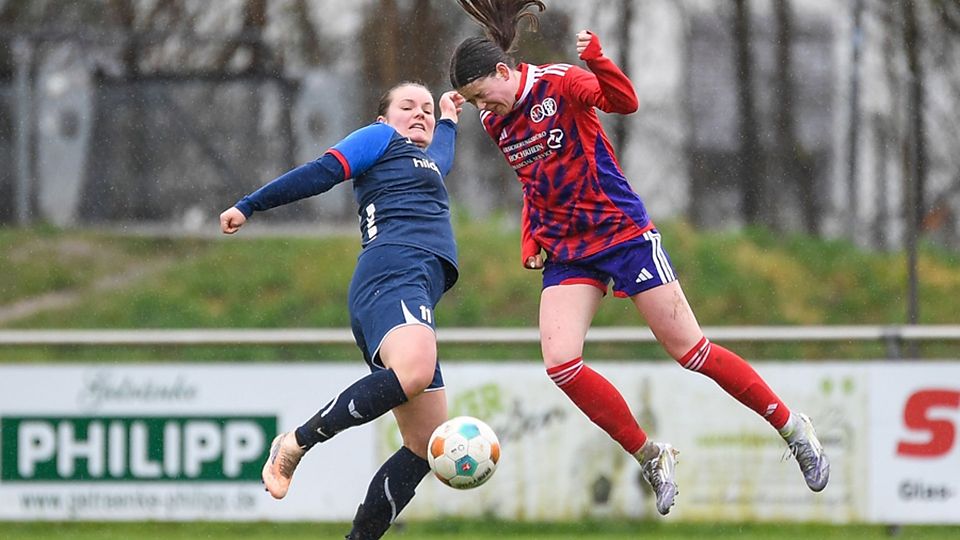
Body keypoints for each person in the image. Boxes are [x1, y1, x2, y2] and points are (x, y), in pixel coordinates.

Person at [448, 0, 829, 516]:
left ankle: (792, 428)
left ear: (501, 71)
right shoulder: (497, 124)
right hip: (569, 251)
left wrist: (598, 61)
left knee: (691, 351)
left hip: (622, 236)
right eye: (473, 102)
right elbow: (533, 183)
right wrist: (529, 239)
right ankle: (651, 455)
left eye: (482, 96)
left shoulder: (560, 83)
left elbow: (624, 102)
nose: (482, 108)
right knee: (561, 364)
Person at [220, 82, 465, 539]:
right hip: (393, 273)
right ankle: (296, 442)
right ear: (383, 119)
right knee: (414, 372)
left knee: (424, 443)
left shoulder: (425, 163)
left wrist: (449, 116)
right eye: (408, 106)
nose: (421, 113)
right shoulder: (380, 139)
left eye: (427, 109)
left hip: (410, 285)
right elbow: (321, 172)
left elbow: (441, 157)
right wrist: (250, 205)